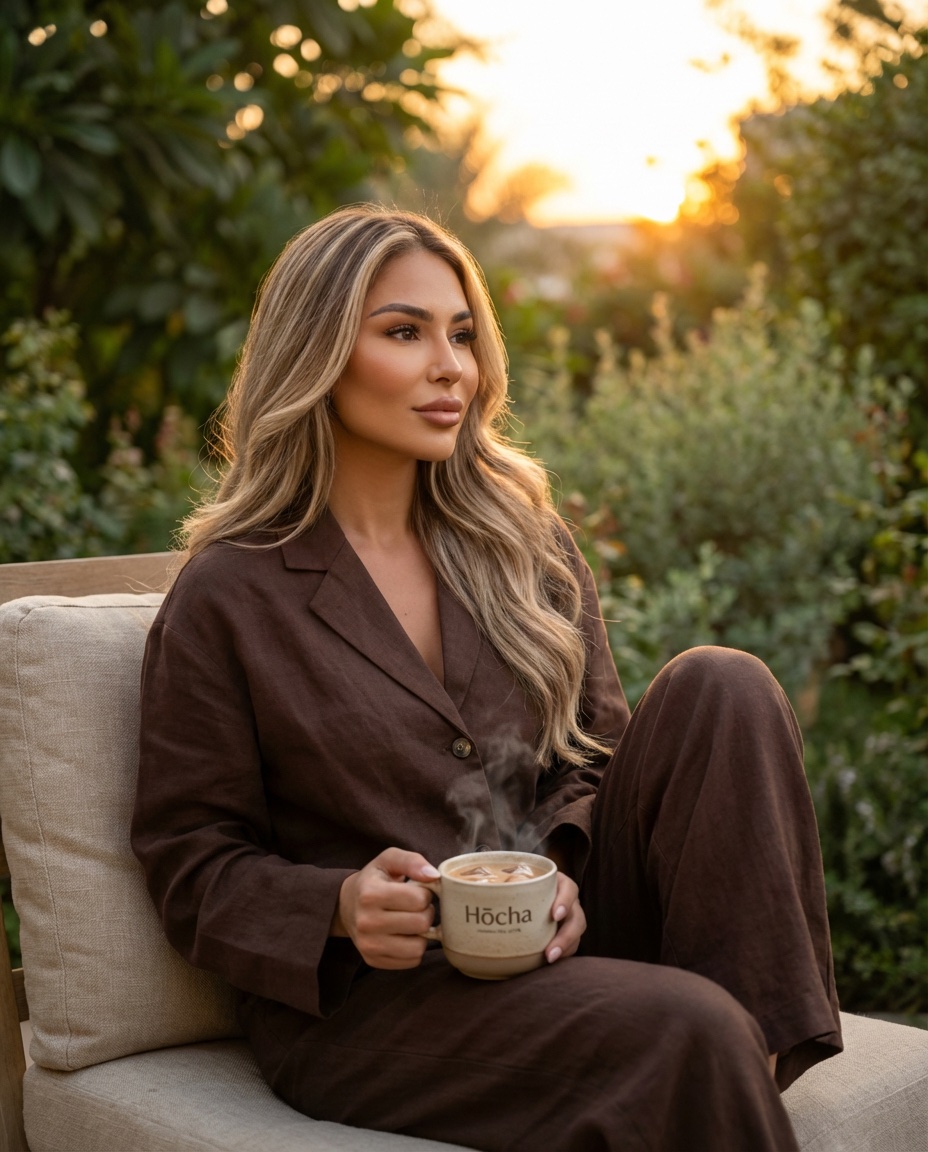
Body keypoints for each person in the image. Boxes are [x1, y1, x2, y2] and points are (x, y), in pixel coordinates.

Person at [132, 204, 842, 1152]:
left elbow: (597, 756)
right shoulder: (230, 594)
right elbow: (189, 855)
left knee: (725, 684)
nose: (450, 368)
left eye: (462, 335)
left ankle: (729, 1082)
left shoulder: (520, 542)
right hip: (383, 1008)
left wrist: (568, 870)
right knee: (691, 1026)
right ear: (319, 356)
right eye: (404, 332)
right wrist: (337, 906)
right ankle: (703, 1064)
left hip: (559, 937)